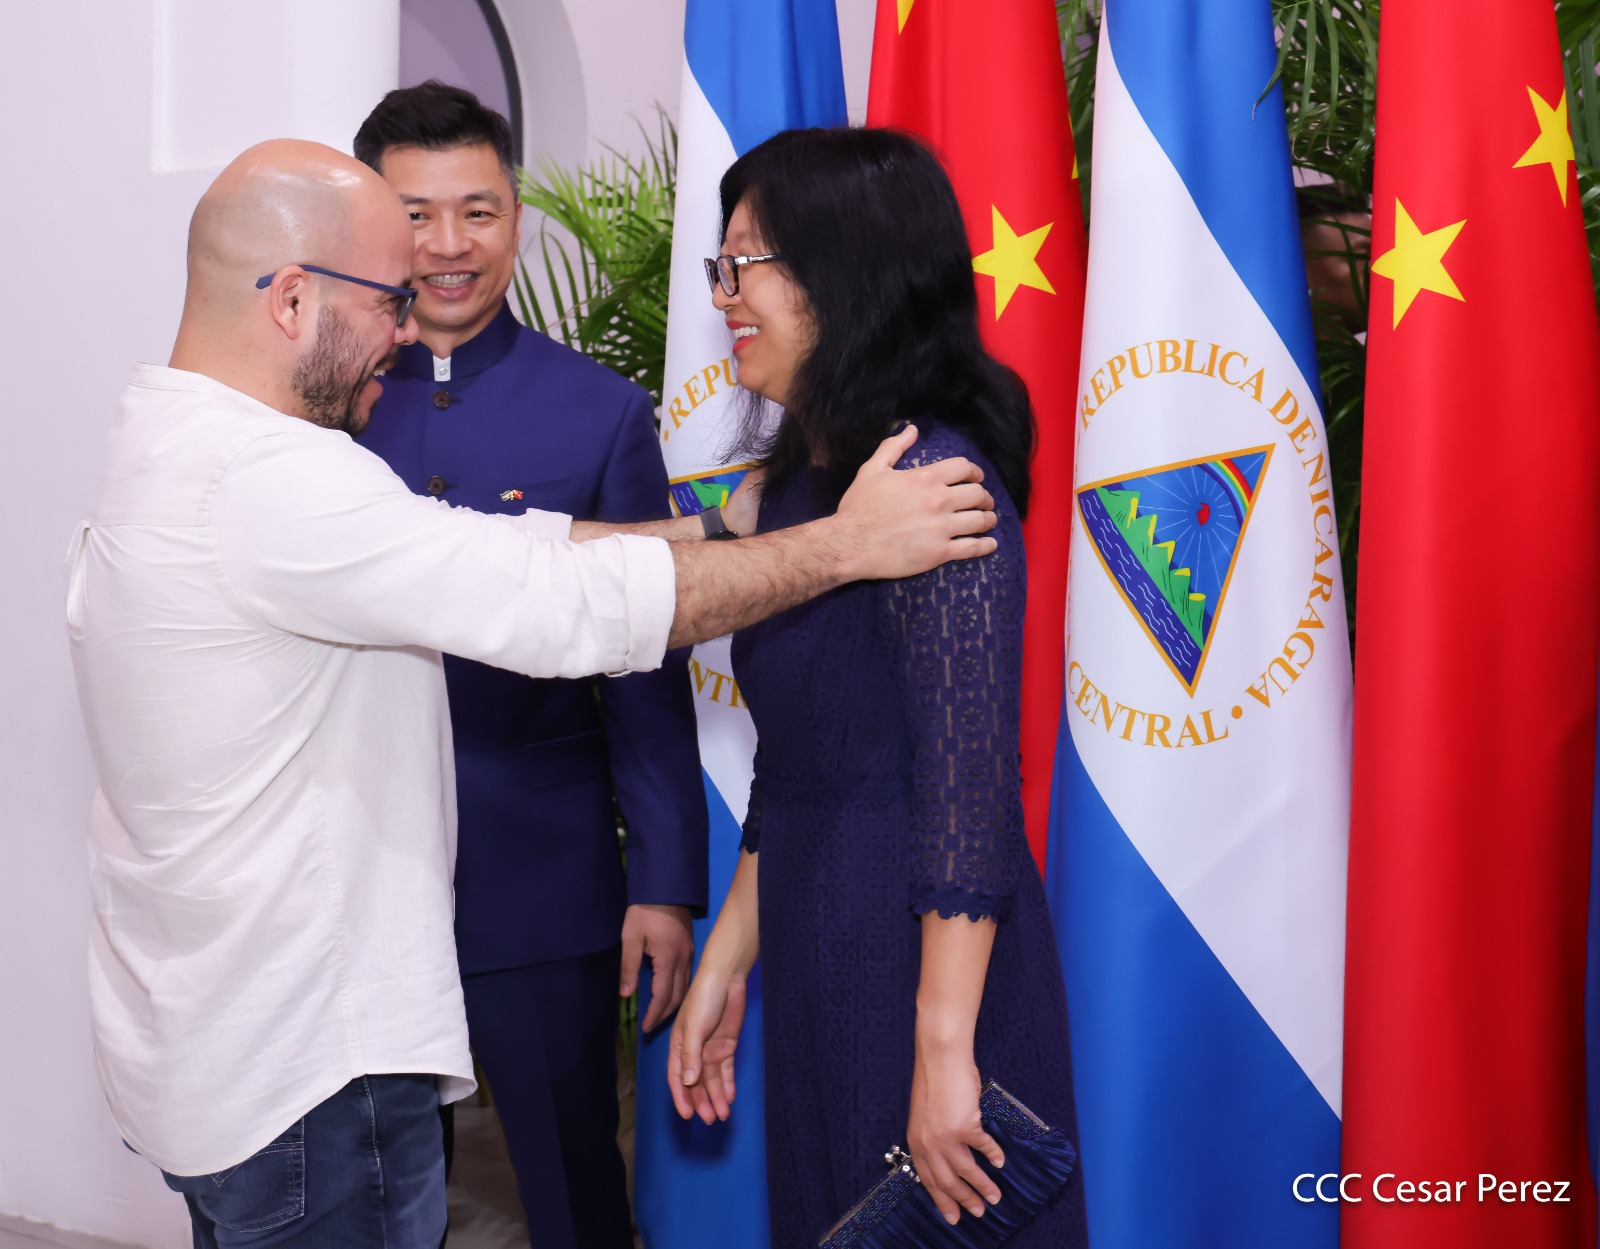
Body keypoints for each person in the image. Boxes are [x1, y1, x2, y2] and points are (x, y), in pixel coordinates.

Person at [65, 137, 998, 1249]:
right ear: (294, 299)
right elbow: (553, 604)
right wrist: (843, 546)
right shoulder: (267, 481)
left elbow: (484, 550)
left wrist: (715, 526)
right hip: (304, 1066)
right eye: (389, 299)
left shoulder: (172, 438)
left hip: (212, 1050)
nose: (407, 328)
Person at [667, 127, 1089, 1248]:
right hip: (819, 932)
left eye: (745, 264)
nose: (723, 296)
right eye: (721, 266)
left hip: (924, 954)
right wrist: (727, 958)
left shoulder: (933, 482)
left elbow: (968, 795)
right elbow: (794, 765)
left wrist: (944, 1050)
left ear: (844, 273)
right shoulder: (806, 489)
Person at [347, 82, 701, 1249]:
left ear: (515, 216)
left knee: (569, 1183)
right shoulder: (312, 408)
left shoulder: (599, 412)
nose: (448, 246)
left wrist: (662, 880)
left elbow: (643, 658)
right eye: (416, 215)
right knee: (370, 1196)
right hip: (350, 872)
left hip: (539, 876)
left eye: (479, 211)